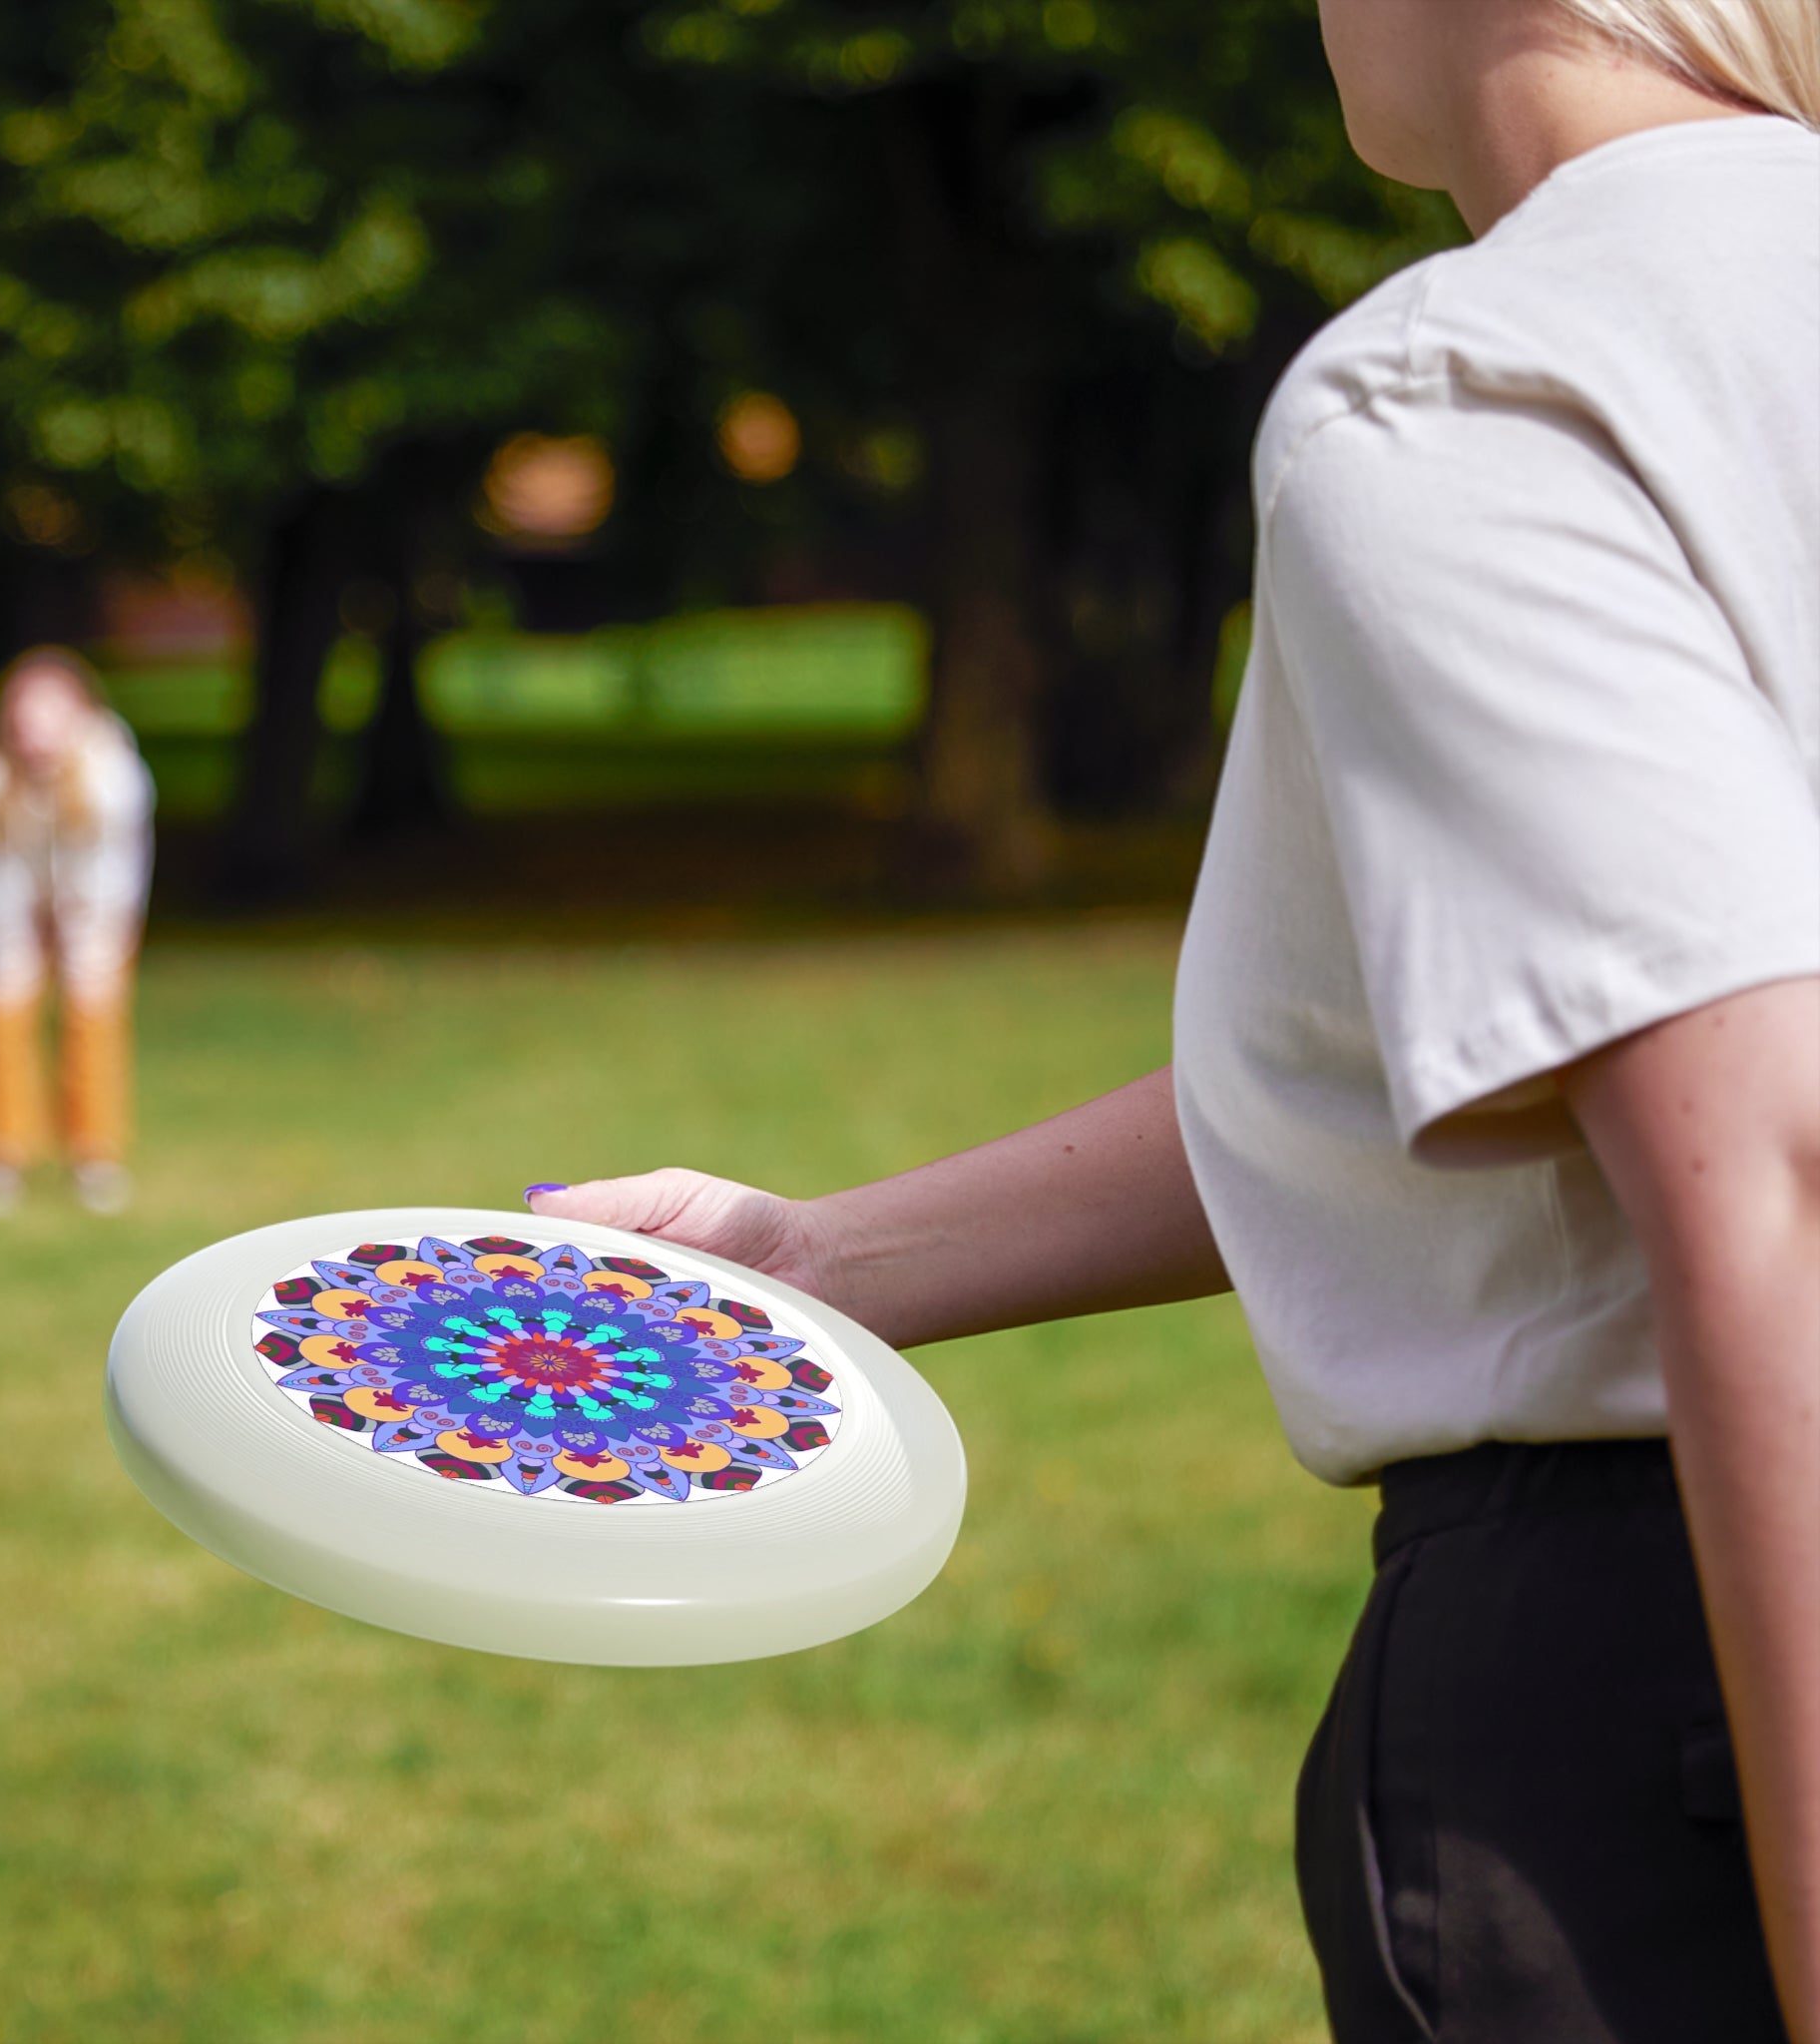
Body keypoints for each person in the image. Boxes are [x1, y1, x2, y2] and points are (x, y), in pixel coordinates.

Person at [522, 2, 1820, 2037]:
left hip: (1675, 1685)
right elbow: (1492, 1053)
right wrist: (817, 1259)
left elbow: (1770, 1171)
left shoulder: (1478, 383)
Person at [0, 647, 155, 1217]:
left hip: (95, 907)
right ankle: (0, 1155)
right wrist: (13, 937)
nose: (35, 732)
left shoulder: (114, 777)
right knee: (0, 1007)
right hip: (11, 906)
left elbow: (112, 871)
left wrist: (81, 930)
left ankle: (94, 1156)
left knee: (93, 1013)